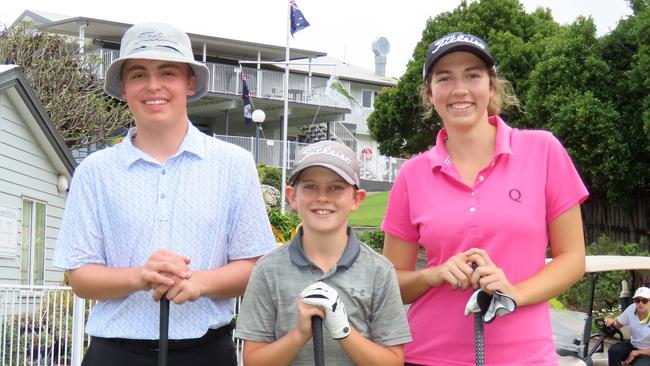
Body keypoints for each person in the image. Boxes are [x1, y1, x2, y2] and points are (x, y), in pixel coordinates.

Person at [53, 22, 275, 366]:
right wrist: (139, 277)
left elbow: (254, 265)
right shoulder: (95, 172)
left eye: (167, 72)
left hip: (207, 351)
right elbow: (81, 277)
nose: (153, 85)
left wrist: (200, 283)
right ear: (124, 88)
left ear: (189, 83)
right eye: (139, 74)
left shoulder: (234, 164)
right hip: (115, 352)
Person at [381, 32, 588, 365]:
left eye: (472, 75)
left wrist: (515, 292)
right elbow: (392, 283)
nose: (459, 89)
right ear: (430, 93)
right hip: (428, 356)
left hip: (526, 356)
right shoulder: (412, 174)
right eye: (444, 78)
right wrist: (432, 275)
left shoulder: (543, 150)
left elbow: (572, 259)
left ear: (491, 87)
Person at [235, 140, 412, 365]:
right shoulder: (268, 269)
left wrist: (344, 331)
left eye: (336, 187)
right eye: (310, 186)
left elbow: (393, 361)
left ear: (356, 199)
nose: (322, 197)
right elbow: (253, 360)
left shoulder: (380, 271)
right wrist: (298, 335)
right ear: (292, 196)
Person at [606, 287, 650, 365]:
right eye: (637, 300)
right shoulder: (632, 308)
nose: (640, 303)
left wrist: (636, 353)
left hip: (647, 351)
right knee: (613, 351)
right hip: (633, 344)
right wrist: (612, 322)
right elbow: (618, 324)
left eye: (645, 301)